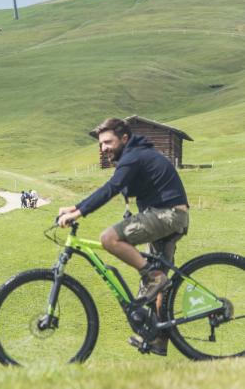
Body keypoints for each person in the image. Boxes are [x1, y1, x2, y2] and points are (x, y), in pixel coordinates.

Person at [57, 118, 189, 356]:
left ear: (124, 139)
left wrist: (78, 213)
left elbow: (111, 188)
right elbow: (116, 186)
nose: (103, 148)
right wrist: (75, 206)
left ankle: (153, 277)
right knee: (155, 287)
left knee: (110, 238)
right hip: (169, 216)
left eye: (108, 142)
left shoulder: (134, 155)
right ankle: (159, 339)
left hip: (167, 215)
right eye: (101, 144)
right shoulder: (135, 154)